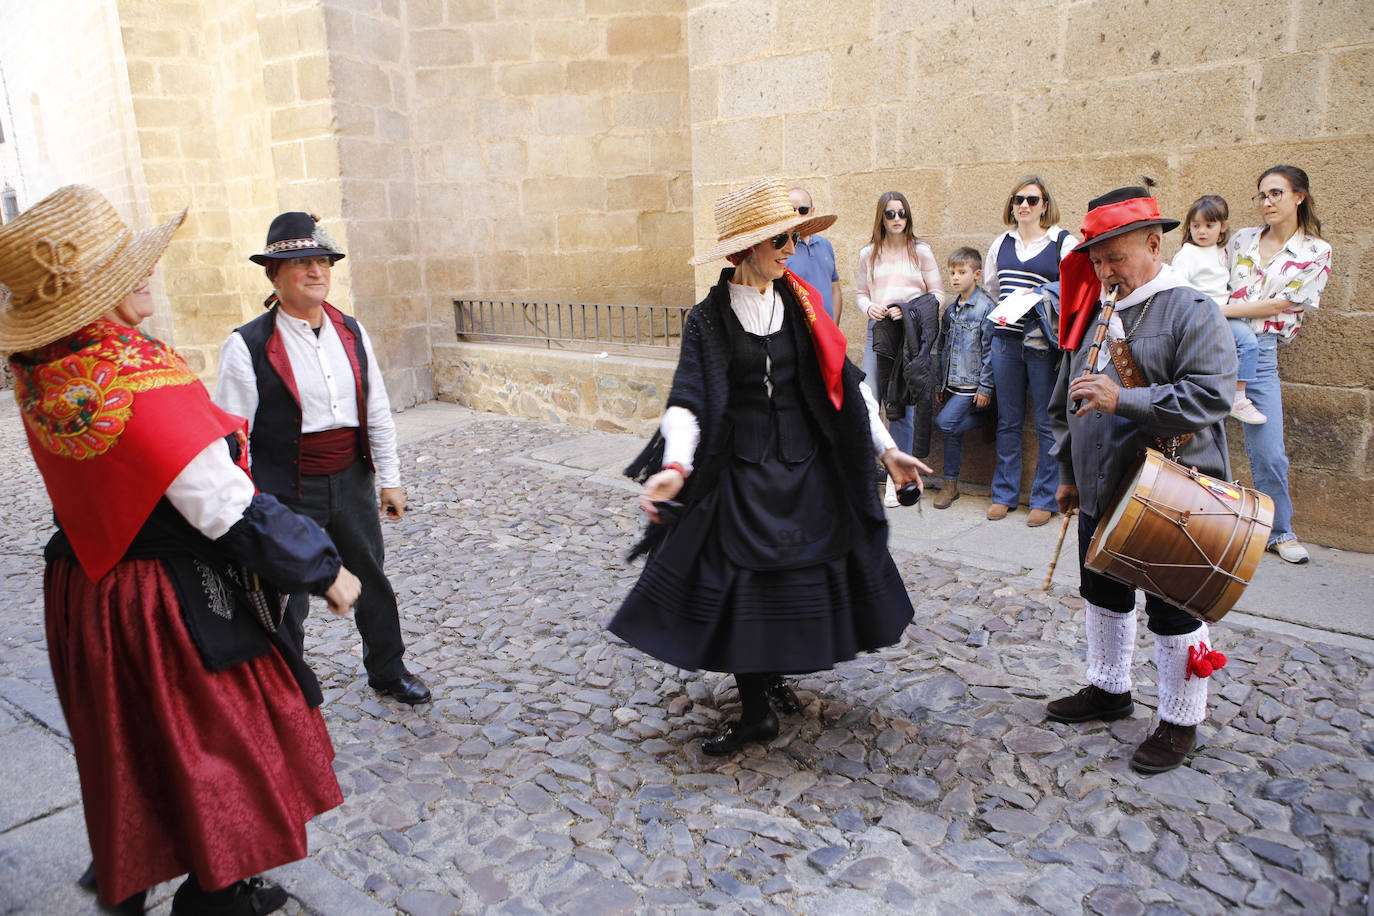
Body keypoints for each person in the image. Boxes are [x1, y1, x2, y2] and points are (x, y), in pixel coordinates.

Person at [0, 185, 361, 914]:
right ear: (86, 296)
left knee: (131, 748)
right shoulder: (133, 377)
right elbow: (222, 504)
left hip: (87, 589)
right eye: (124, 270)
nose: (147, 275)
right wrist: (323, 568)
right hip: (158, 600)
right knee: (220, 748)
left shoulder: (45, 367)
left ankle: (136, 876)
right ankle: (216, 894)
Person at [609, 178, 929, 756]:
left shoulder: (801, 303)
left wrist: (885, 449)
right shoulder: (708, 319)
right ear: (745, 249)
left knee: (793, 581)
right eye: (782, 238)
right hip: (736, 472)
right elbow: (689, 398)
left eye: (794, 236)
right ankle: (755, 711)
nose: (791, 247)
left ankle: (772, 677)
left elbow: (846, 383)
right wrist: (676, 467)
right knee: (744, 589)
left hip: (806, 468)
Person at [1048, 186, 1237, 773]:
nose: (1105, 272)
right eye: (1097, 261)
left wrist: (1124, 399)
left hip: (1173, 490)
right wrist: (1066, 472)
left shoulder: (1192, 309)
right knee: (1103, 592)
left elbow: (1212, 395)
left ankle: (1181, 720)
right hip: (1101, 486)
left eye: (1116, 259)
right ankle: (1109, 689)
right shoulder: (1094, 313)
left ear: (1154, 244)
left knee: (1175, 610)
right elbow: (1066, 403)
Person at [215, 212, 431, 704]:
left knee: (371, 578)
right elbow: (233, 438)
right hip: (285, 486)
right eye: (300, 263)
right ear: (273, 274)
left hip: (351, 480)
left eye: (321, 261)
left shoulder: (350, 331)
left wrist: (389, 481)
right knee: (286, 594)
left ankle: (387, 670)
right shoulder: (246, 344)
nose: (316, 272)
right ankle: (284, 687)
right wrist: (247, 507)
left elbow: (375, 408)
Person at [1224, 165, 1332, 565]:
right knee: (1201, 440)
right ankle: (1206, 526)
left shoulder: (1315, 252)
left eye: (1276, 194)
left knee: (1269, 451)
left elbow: (1280, 304)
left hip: (1262, 353)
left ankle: (1280, 531)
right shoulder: (1241, 240)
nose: (1267, 202)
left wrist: (1218, 309)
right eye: (1262, 195)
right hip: (1217, 345)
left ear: (1299, 197)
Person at [983, 175, 1078, 526]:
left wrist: (1041, 297)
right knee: (1007, 421)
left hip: (1042, 344)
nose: (1024, 205)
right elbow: (993, 289)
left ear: (1045, 206)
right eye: (1018, 199)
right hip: (1006, 340)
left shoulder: (1062, 242)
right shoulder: (1001, 244)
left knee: (1046, 422)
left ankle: (1045, 498)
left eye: (1032, 200)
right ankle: (1004, 494)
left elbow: (1079, 285)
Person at [855, 191, 944, 507]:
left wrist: (907, 309)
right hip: (877, 331)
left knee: (902, 406)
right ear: (881, 217)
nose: (897, 219)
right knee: (867, 401)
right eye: (890, 214)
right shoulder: (869, 253)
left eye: (902, 213)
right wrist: (869, 308)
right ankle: (867, 475)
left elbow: (937, 295)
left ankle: (900, 480)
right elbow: (860, 294)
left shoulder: (920, 251)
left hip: (908, 333)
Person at [1170, 194, 1265, 423]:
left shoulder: (1224, 252)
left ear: (1222, 227)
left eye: (1209, 225)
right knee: (1246, 343)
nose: (1202, 231)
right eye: (1196, 226)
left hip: (1225, 313)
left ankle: (1233, 395)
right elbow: (1178, 287)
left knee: (1242, 347)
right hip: (1204, 315)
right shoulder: (1188, 254)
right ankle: (1236, 398)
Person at [932, 247, 996, 509]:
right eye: (952, 273)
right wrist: (940, 384)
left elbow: (991, 352)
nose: (955, 277)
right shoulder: (951, 310)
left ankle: (987, 416)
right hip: (953, 384)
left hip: (973, 386)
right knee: (953, 432)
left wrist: (986, 388)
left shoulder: (985, 308)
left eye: (962, 272)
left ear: (977, 274)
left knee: (945, 424)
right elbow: (943, 348)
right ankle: (951, 484)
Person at [786, 186, 842, 322]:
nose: (798, 215)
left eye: (803, 210)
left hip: (827, 334)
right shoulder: (780, 250)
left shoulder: (825, 245)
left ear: (812, 211)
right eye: (792, 211)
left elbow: (835, 288)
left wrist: (833, 327)